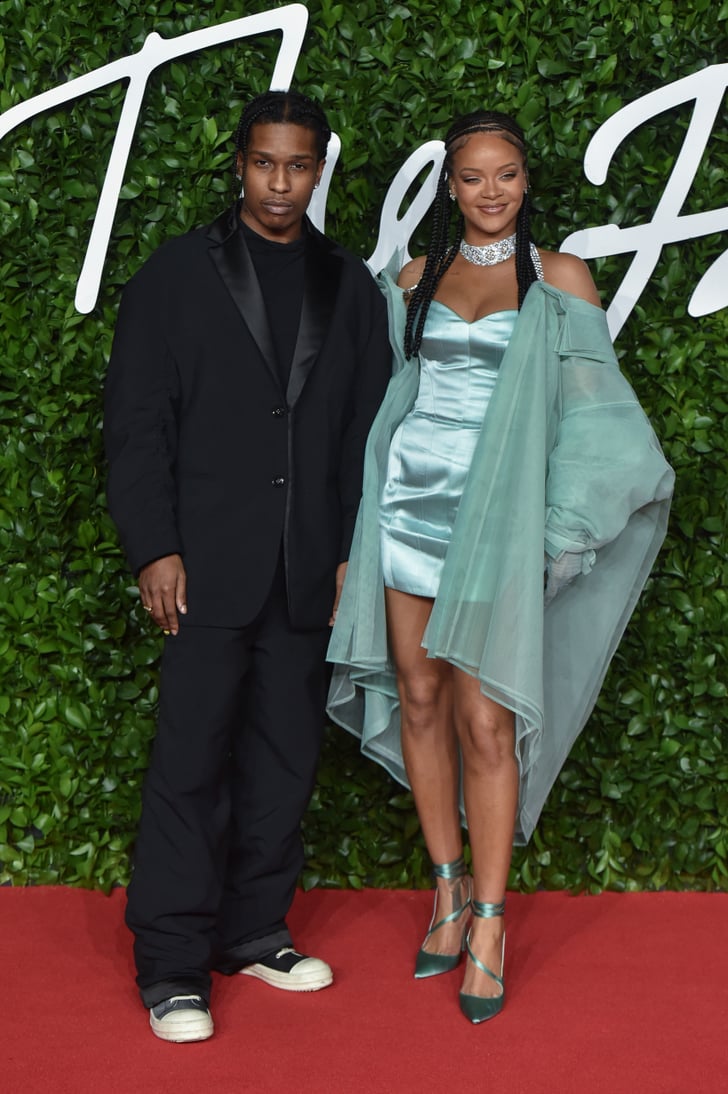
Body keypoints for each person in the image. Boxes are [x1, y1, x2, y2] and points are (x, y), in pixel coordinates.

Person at [327, 110, 674, 1024]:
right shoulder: (413, 276)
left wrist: (558, 536)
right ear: (450, 186)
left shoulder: (561, 280)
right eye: (474, 178)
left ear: (527, 181)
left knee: (485, 722)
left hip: (496, 528)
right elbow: (394, 401)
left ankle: (489, 919)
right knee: (420, 695)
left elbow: (603, 429)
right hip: (406, 512)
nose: (491, 193)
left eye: (507, 176)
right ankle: (444, 887)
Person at [104, 89, 391, 1042]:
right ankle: (174, 963)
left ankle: (255, 929)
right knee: (189, 763)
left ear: (319, 168)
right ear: (239, 163)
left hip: (309, 568)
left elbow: (364, 433)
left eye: (298, 165)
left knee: (284, 757)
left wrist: (352, 549)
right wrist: (155, 545)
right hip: (204, 564)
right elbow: (137, 425)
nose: (280, 183)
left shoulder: (350, 286)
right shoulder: (176, 276)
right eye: (264, 163)